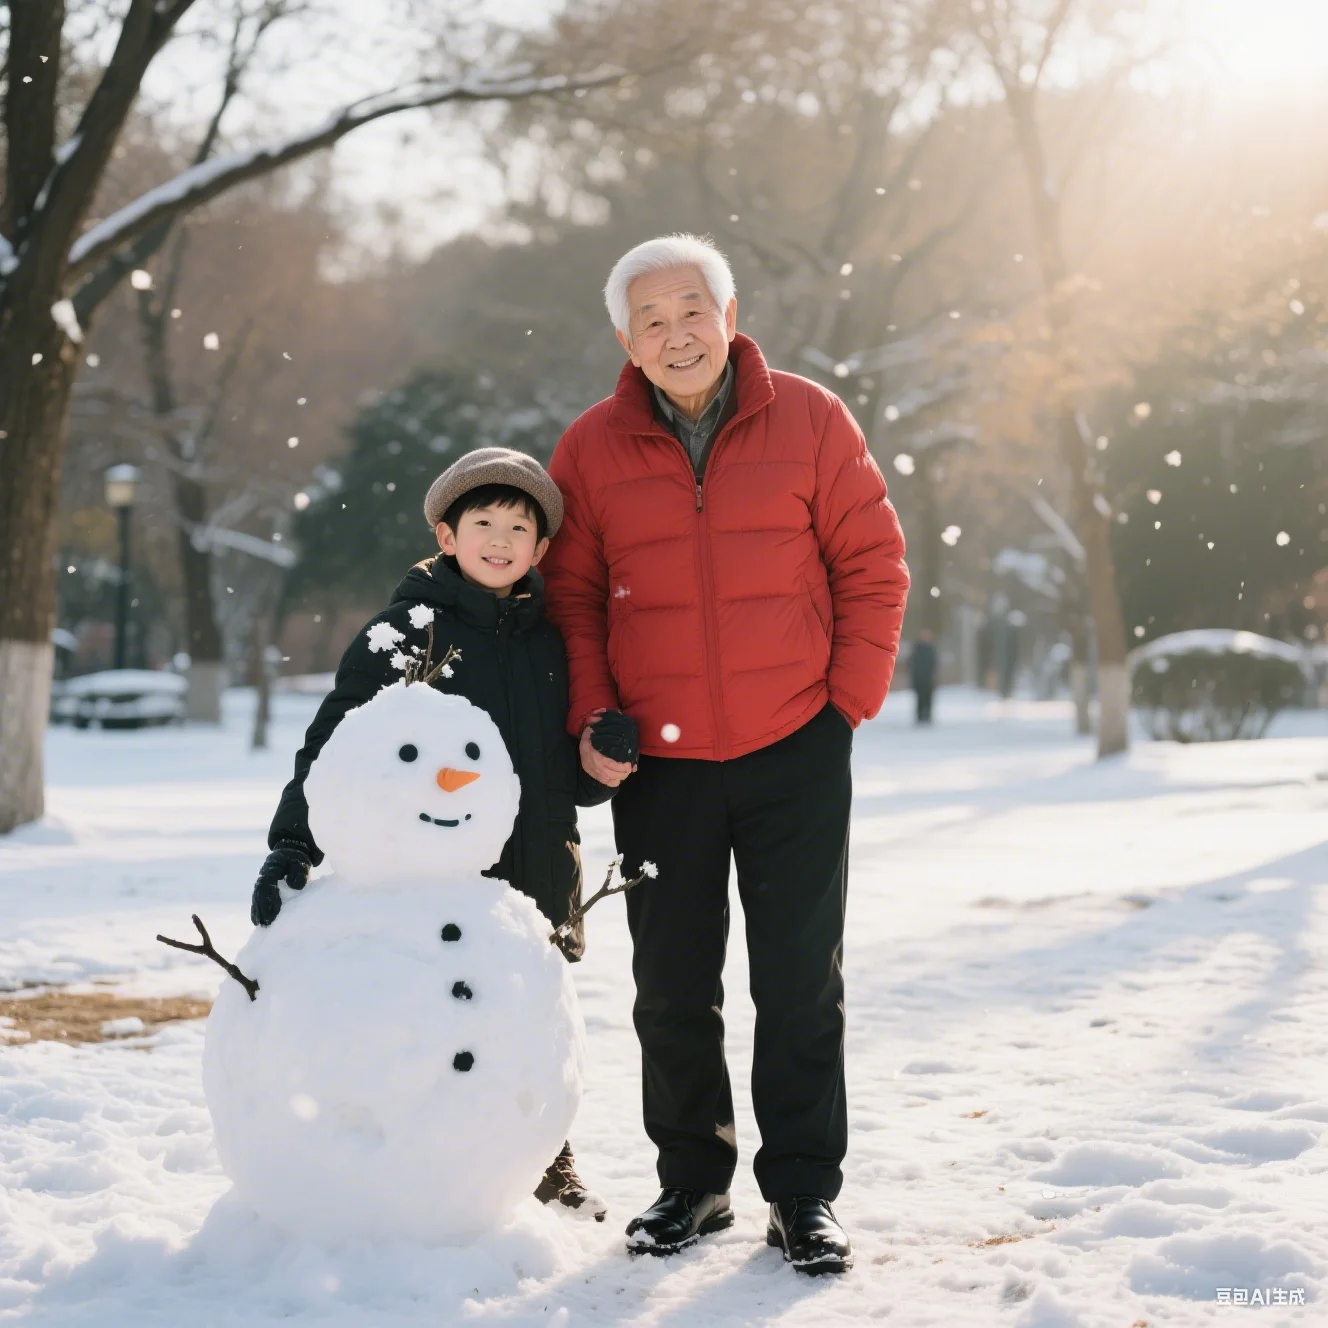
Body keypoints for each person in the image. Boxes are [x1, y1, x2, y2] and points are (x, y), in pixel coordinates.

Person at [542, 233, 909, 1273]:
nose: (676, 334)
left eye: (691, 310)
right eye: (650, 320)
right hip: (658, 766)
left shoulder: (810, 418)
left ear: (730, 316)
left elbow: (872, 562)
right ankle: (693, 1182)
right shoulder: (590, 448)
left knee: (799, 980)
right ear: (626, 342)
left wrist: (844, 704)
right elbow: (570, 598)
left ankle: (802, 1192)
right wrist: (596, 718)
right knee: (670, 984)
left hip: (795, 743)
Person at [251, 447, 619, 1220]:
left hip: (538, 872)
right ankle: (417, 1161)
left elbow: (565, 777)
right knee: (436, 1016)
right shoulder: (407, 633)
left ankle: (544, 1154)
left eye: (519, 528)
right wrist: (293, 844)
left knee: (527, 1021)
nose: (500, 539)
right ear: (447, 537)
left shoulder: (555, 641)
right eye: (483, 523)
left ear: (541, 549)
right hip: (436, 878)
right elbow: (335, 747)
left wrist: (603, 762)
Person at [909, 628, 937, 724]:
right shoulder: (917, 648)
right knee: (920, 698)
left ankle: (928, 716)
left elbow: (934, 663)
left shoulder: (931, 648)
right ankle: (919, 717)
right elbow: (912, 663)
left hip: (929, 679)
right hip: (919, 678)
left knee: (928, 698)